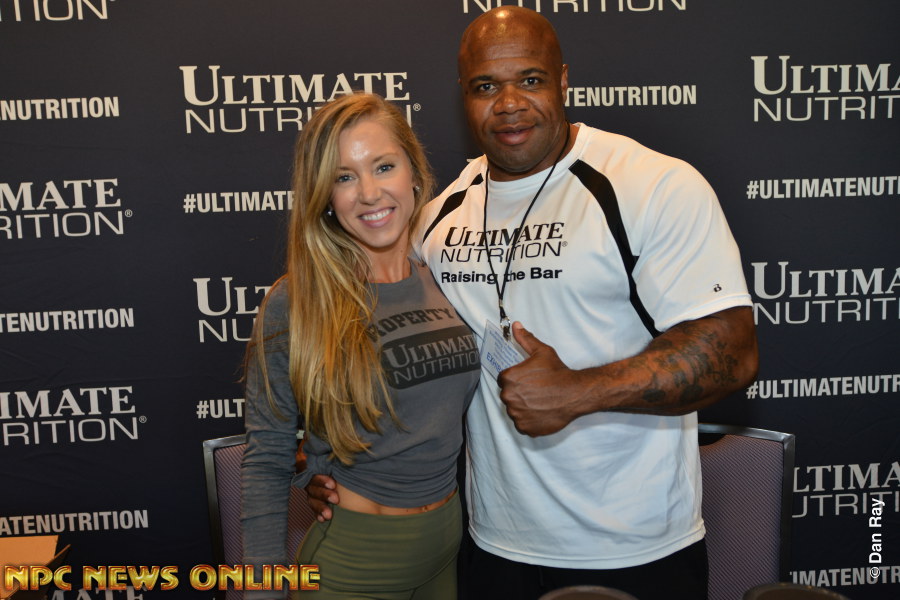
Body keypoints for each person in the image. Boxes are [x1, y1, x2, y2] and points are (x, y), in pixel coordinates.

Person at [307, 8, 759, 600]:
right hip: (490, 547)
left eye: (530, 79)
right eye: (485, 87)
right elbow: (363, 331)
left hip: (634, 548)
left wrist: (579, 391)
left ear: (563, 80)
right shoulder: (437, 216)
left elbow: (732, 350)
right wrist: (333, 463)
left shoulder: (652, 185)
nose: (509, 103)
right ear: (464, 96)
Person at [240, 92, 480, 600]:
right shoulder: (296, 301)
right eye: (344, 177)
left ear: (414, 173)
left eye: (384, 166)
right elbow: (266, 461)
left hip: (445, 550)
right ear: (324, 196)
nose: (369, 193)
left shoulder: (448, 278)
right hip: (353, 563)